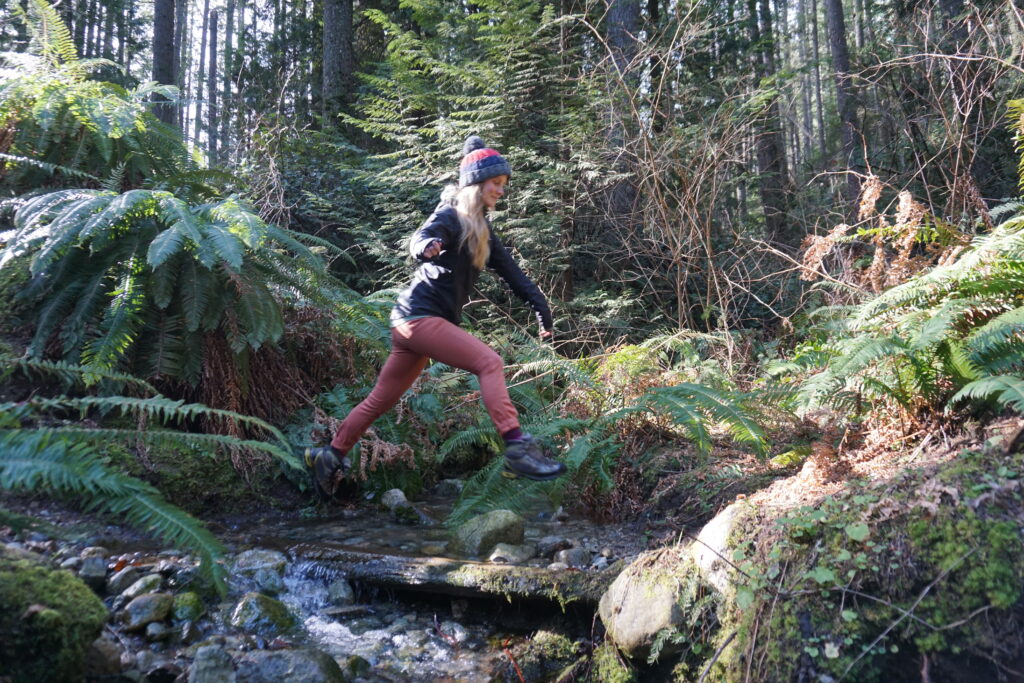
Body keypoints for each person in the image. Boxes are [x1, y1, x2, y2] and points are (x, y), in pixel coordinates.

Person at [303, 135, 567, 499]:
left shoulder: (483, 232)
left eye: (504, 185)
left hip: (411, 325)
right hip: (419, 319)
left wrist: (542, 308)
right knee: (490, 363)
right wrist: (424, 248)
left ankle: (329, 455)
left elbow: (514, 275)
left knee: (380, 400)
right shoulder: (449, 216)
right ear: (476, 183)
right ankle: (517, 447)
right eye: (496, 184)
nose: (501, 191)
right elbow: (422, 236)